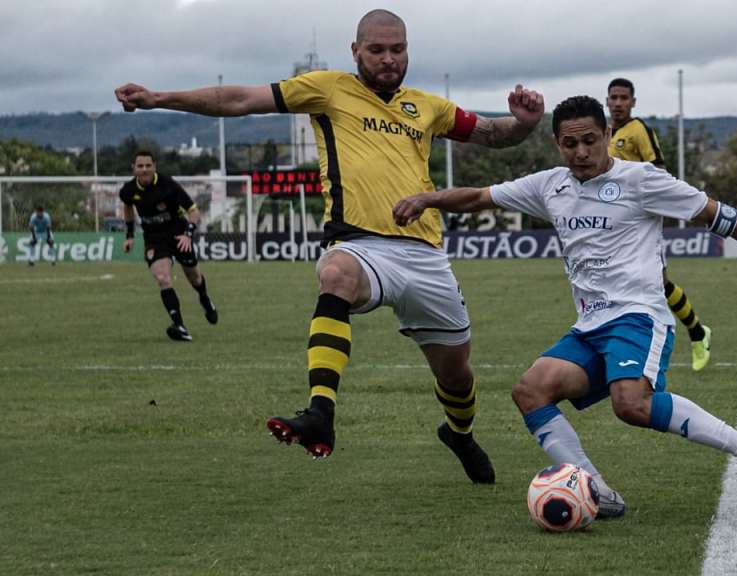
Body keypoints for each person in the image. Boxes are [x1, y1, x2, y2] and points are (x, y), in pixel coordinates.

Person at [115, 9, 544, 482]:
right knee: (335, 274)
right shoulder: (328, 89)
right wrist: (160, 97)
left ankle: (459, 434)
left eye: (396, 50)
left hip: (424, 254)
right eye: (376, 50)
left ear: (408, 51)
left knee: (456, 374)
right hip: (359, 244)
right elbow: (239, 99)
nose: (387, 59)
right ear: (355, 50)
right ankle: (321, 412)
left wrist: (523, 123)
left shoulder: (427, 106)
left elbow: (490, 133)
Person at [394, 95, 737, 517]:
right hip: (591, 325)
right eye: (570, 144)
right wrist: (428, 199)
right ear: (557, 144)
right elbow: (479, 197)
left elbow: (720, 216)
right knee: (530, 391)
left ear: (608, 135)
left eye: (590, 140)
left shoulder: (642, 180)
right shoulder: (550, 185)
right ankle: (594, 490)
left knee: (631, 405)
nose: (581, 152)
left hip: (638, 316)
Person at [606, 77, 711, 372]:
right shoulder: (604, 134)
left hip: (640, 223)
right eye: (613, 97)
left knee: (659, 283)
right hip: (612, 225)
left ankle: (696, 331)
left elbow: (659, 172)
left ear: (633, 102)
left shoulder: (638, 130)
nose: (617, 103)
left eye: (623, 98)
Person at [119, 151, 219, 342]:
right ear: (134, 168)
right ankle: (179, 326)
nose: (144, 169)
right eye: (140, 166)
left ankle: (205, 299)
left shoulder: (168, 185)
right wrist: (130, 235)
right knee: (163, 277)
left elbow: (194, 211)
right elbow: (128, 206)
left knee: (195, 277)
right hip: (154, 239)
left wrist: (188, 234)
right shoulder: (128, 190)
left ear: (154, 166)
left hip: (178, 234)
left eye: (148, 165)